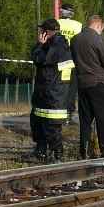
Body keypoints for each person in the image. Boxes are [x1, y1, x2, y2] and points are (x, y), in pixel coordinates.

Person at [28, 19, 75, 162]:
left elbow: (39, 59)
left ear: (47, 32)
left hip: (52, 93)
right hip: (51, 92)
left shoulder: (53, 46)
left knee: (51, 127)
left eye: (43, 30)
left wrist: (39, 45)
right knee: (37, 122)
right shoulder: (61, 44)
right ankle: (41, 150)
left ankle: (57, 155)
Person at [70, 15, 104, 159]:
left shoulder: (75, 39)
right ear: (98, 25)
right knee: (103, 120)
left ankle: (85, 150)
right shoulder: (99, 40)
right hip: (98, 83)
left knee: (85, 120)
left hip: (82, 83)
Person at [58, 3, 83, 124]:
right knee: (72, 90)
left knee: (58, 88)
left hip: (58, 62)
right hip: (74, 62)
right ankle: (69, 114)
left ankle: (58, 112)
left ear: (62, 12)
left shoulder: (56, 23)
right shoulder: (78, 26)